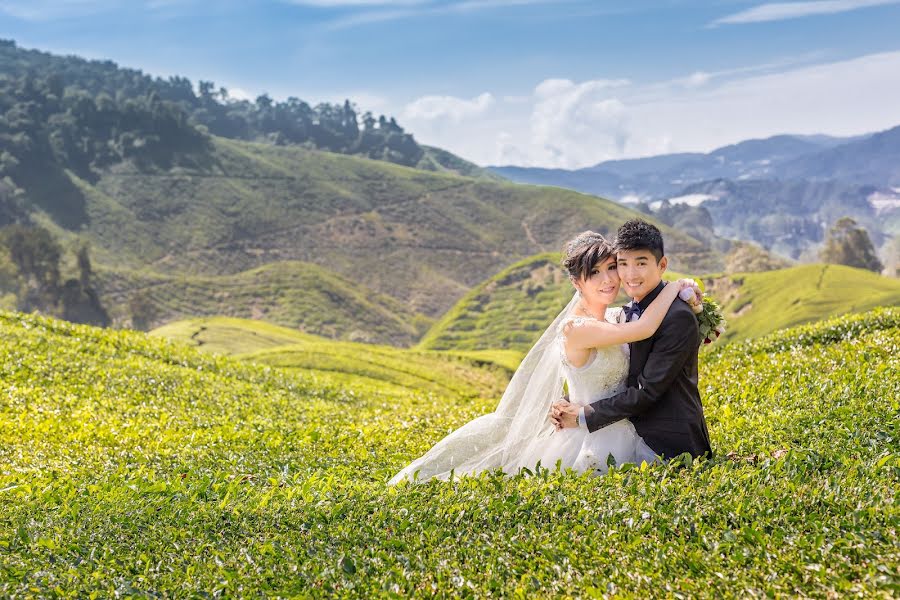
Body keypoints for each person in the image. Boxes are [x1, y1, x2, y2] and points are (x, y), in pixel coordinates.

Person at [388, 228, 698, 485]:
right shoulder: (578, 328)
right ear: (577, 282)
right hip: (592, 435)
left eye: (611, 268)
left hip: (619, 425)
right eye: (595, 273)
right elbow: (644, 329)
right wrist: (676, 286)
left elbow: (644, 341)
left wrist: (696, 319)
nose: (609, 280)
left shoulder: (614, 318)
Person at [551, 219, 713, 461]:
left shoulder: (677, 316)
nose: (629, 275)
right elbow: (612, 375)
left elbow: (646, 392)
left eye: (641, 263)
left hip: (668, 442)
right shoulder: (622, 313)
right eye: (622, 264)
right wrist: (570, 400)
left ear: (662, 265)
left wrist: (582, 415)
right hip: (622, 432)